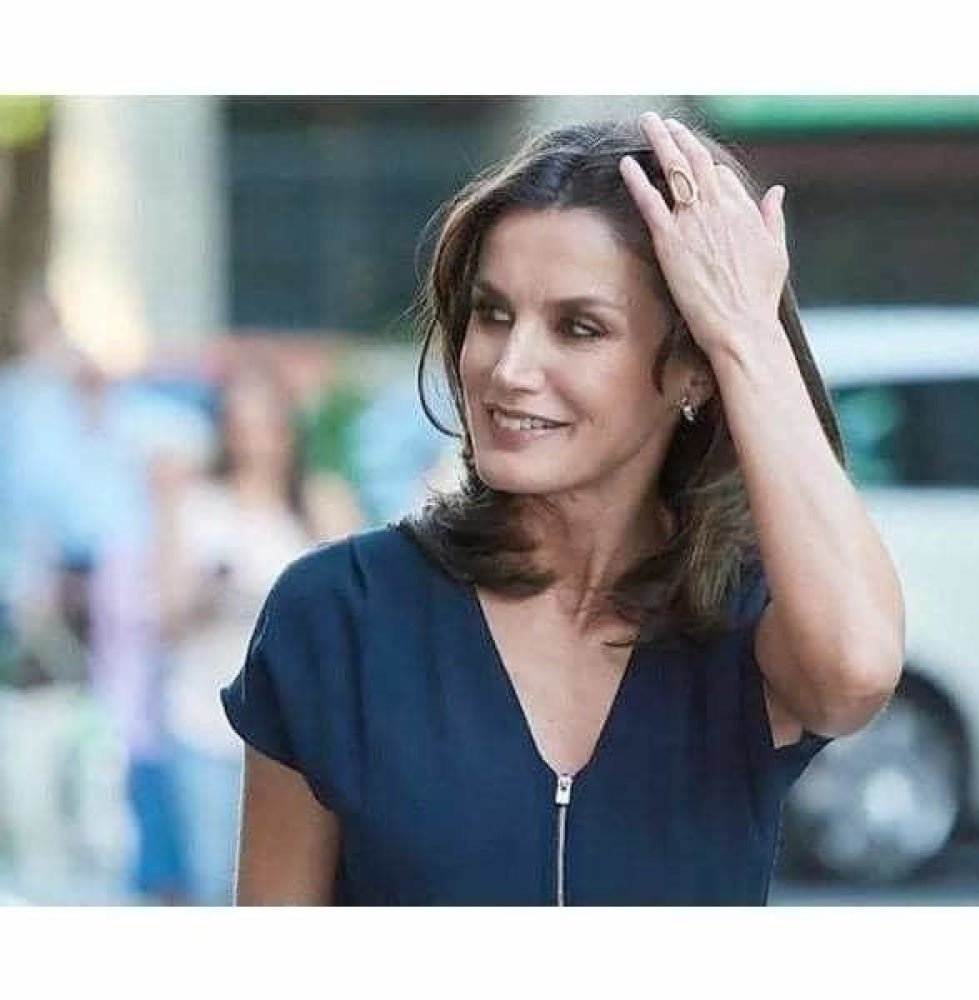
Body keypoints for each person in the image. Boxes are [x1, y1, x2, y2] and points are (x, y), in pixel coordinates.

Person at [221, 111, 904, 905]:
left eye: (579, 328)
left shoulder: (745, 620)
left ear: (693, 370)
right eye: (493, 314)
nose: (510, 368)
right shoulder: (339, 614)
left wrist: (748, 334)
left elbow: (854, 674)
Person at [155, 362, 321, 904]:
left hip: (296, 734)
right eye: (239, 426)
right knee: (212, 884)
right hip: (203, 723)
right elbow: (166, 615)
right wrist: (210, 592)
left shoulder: (317, 504)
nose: (253, 442)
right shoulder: (196, 503)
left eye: (264, 425)